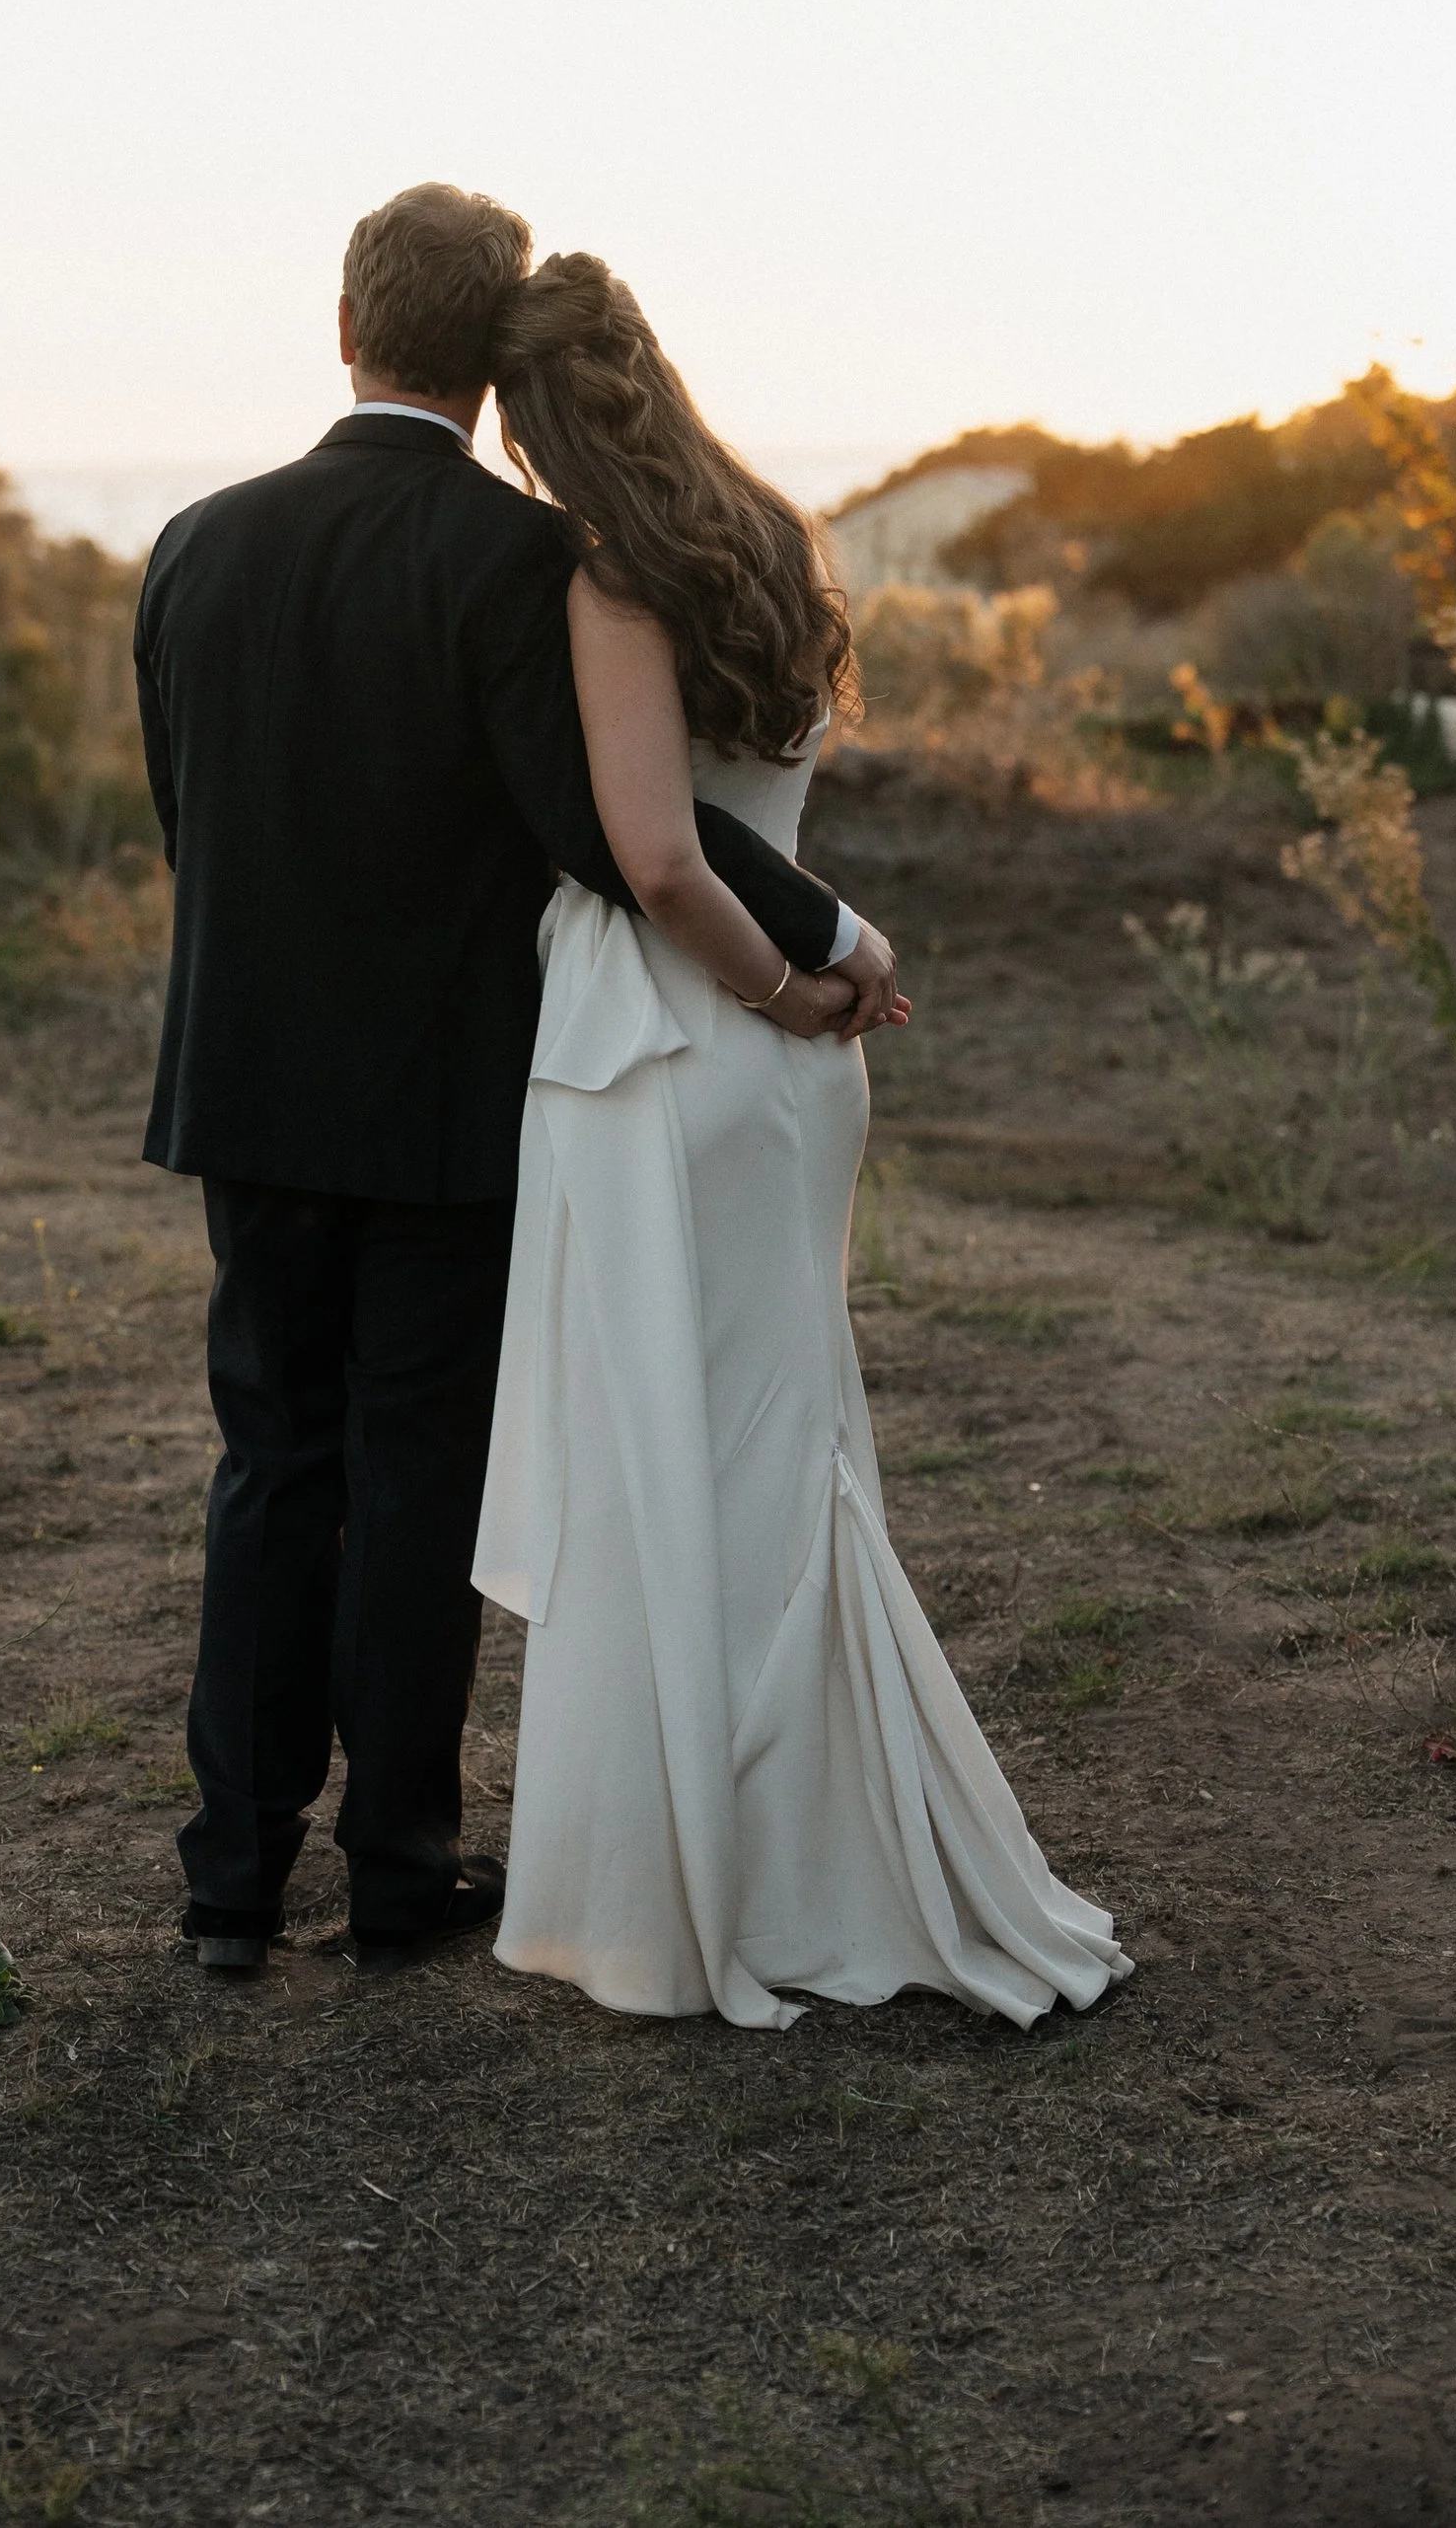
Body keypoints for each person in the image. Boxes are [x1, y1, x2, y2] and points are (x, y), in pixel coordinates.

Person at [133, 185, 899, 1974]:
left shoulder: (192, 542)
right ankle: (398, 1870)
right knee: (411, 1474)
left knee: (268, 1466)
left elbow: (195, 817)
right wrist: (833, 931)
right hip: (442, 1100)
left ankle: (228, 1884)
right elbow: (612, 827)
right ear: (488, 363)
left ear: (345, 323)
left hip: (245, 1083)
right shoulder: (512, 563)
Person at [473, 253, 1129, 2032]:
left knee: (665, 1452)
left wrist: (775, 985)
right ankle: (814, 1834)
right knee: (784, 1442)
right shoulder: (767, 537)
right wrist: (829, 978)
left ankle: (705, 1875)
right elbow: (752, 806)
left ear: (535, 424)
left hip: (679, 1044)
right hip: (791, 1078)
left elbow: (659, 852)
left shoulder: (611, 583)